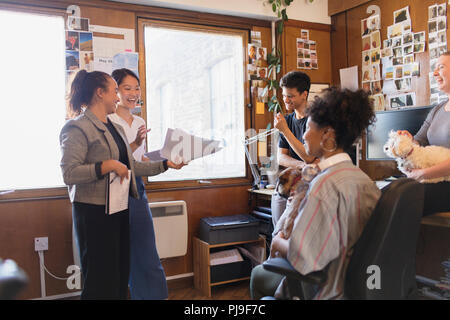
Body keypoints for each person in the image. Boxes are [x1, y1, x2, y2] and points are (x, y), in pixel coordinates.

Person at [60, 70, 185, 299]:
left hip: (118, 209)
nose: (118, 98)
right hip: (93, 213)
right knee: (99, 278)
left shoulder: (114, 127)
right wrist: (106, 165)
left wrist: (165, 164)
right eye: (114, 91)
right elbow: (69, 173)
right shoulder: (76, 127)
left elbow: (132, 166)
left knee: (119, 274)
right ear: (100, 93)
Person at [250, 88, 381, 300]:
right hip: (358, 283)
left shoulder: (323, 186)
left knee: (258, 277)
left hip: (327, 288)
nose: (304, 134)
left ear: (327, 135)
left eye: (308, 127)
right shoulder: (366, 181)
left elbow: (303, 257)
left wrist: (276, 243)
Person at [108, 68, 168, 300]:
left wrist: (164, 159)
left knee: (147, 251)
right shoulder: (108, 121)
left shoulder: (140, 120)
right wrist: (134, 144)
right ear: (115, 90)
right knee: (122, 254)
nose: (133, 93)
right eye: (127, 88)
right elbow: (118, 159)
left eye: (137, 88)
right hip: (114, 191)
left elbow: (140, 161)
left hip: (138, 188)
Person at [397, 52, 450, 216]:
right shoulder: (438, 109)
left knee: (405, 198)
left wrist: (423, 174)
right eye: (435, 68)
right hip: (432, 181)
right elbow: (419, 140)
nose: (435, 73)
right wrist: (408, 139)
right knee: (394, 191)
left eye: (441, 67)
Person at [270, 71, 315, 227]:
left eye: (290, 96)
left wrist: (285, 131)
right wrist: (302, 165)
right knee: (277, 227)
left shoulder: (314, 120)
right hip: (293, 180)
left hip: (310, 185)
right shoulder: (287, 120)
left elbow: (309, 157)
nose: (285, 100)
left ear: (304, 94)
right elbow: (281, 158)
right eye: (284, 95)